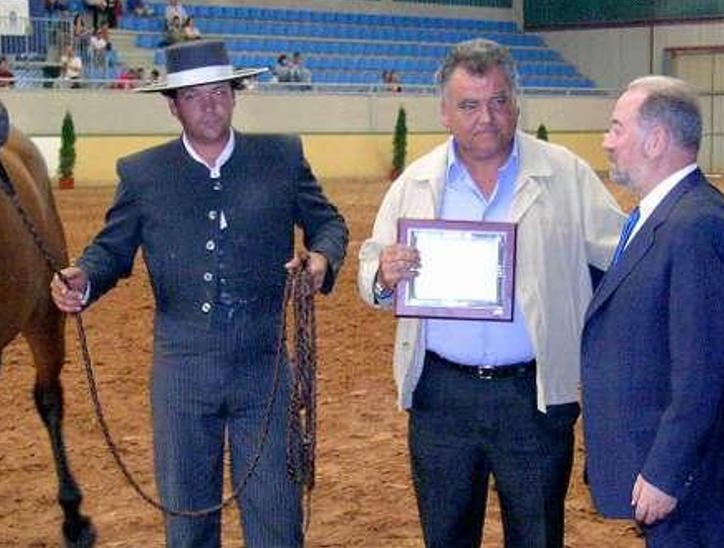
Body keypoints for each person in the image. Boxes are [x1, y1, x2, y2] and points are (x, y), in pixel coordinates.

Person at [51, 39, 348, 547]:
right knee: (187, 527)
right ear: (173, 106)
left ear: (234, 96)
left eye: (218, 92)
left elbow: (328, 223)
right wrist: (85, 277)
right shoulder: (142, 173)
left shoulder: (281, 156)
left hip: (266, 369)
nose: (209, 104)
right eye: (194, 96)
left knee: (277, 522)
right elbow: (112, 250)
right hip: (182, 373)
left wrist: (321, 256)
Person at [357, 38, 625, 547]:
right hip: (441, 398)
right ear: (444, 112)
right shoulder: (414, 184)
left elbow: (621, 259)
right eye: (470, 105)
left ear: (516, 103)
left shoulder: (565, 174)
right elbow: (370, 268)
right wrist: (382, 275)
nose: (487, 117)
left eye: (499, 101)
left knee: (538, 536)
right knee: (447, 537)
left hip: (534, 394)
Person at [582, 75, 724, 547]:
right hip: (684, 482)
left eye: (617, 128)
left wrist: (666, 472)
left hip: (691, 485)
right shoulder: (663, 215)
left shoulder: (694, 224)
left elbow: (705, 367)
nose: (607, 141)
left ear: (656, 140)